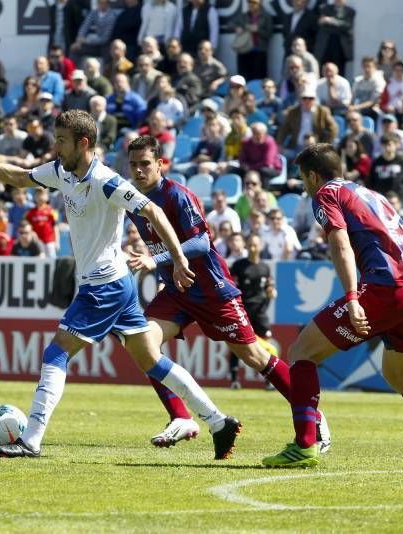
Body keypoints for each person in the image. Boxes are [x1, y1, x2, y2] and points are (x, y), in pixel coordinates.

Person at [0, 111, 239, 459]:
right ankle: (218, 421)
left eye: (62, 140)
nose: (55, 146)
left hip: (103, 286)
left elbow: (155, 212)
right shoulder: (62, 171)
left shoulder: (107, 181)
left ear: (83, 143)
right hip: (117, 283)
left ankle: (30, 440)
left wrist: (178, 258)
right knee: (152, 361)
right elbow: (19, 177)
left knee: (56, 352)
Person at [124, 135, 330, 451]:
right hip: (179, 292)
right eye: (134, 165)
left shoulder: (177, 195)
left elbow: (201, 244)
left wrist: (156, 259)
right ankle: (181, 417)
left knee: (255, 356)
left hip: (212, 290)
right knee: (141, 343)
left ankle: (312, 414)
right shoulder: (134, 202)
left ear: (161, 164)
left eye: (145, 164)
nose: (138, 171)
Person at [262, 143, 403, 469]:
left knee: (301, 353)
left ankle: (305, 443)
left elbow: (340, 242)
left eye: (302, 176)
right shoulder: (372, 195)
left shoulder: (325, 194)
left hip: (385, 287)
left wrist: (352, 297)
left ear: (312, 175)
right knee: (399, 376)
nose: (302, 184)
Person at [229, 234, 276, 388]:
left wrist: (271, 291)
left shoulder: (265, 267)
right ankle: (235, 380)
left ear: (261, 246)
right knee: (238, 345)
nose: (253, 248)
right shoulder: (239, 265)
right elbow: (231, 286)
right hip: (244, 312)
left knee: (267, 345)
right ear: (246, 246)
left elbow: (269, 286)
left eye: (255, 245)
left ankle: (269, 380)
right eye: (250, 245)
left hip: (260, 313)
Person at [231, 0, 272, 82]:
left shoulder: (266, 16)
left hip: (259, 51)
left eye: (254, 3)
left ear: (259, 4)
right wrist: (237, 28)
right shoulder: (243, 16)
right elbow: (231, 24)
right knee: (243, 77)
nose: (251, 5)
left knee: (258, 77)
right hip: (244, 50)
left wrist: (258, 30)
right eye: (249, 3)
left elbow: (269, 34)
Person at [314, 0, 356, 75]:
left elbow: (347, 25)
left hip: (340, 48)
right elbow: (321, 23)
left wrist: (331, 21)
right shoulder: (325, 9)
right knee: (324, 69)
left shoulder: (350, 11)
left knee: (339, 71)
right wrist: (338, 24)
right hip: (326, 47)